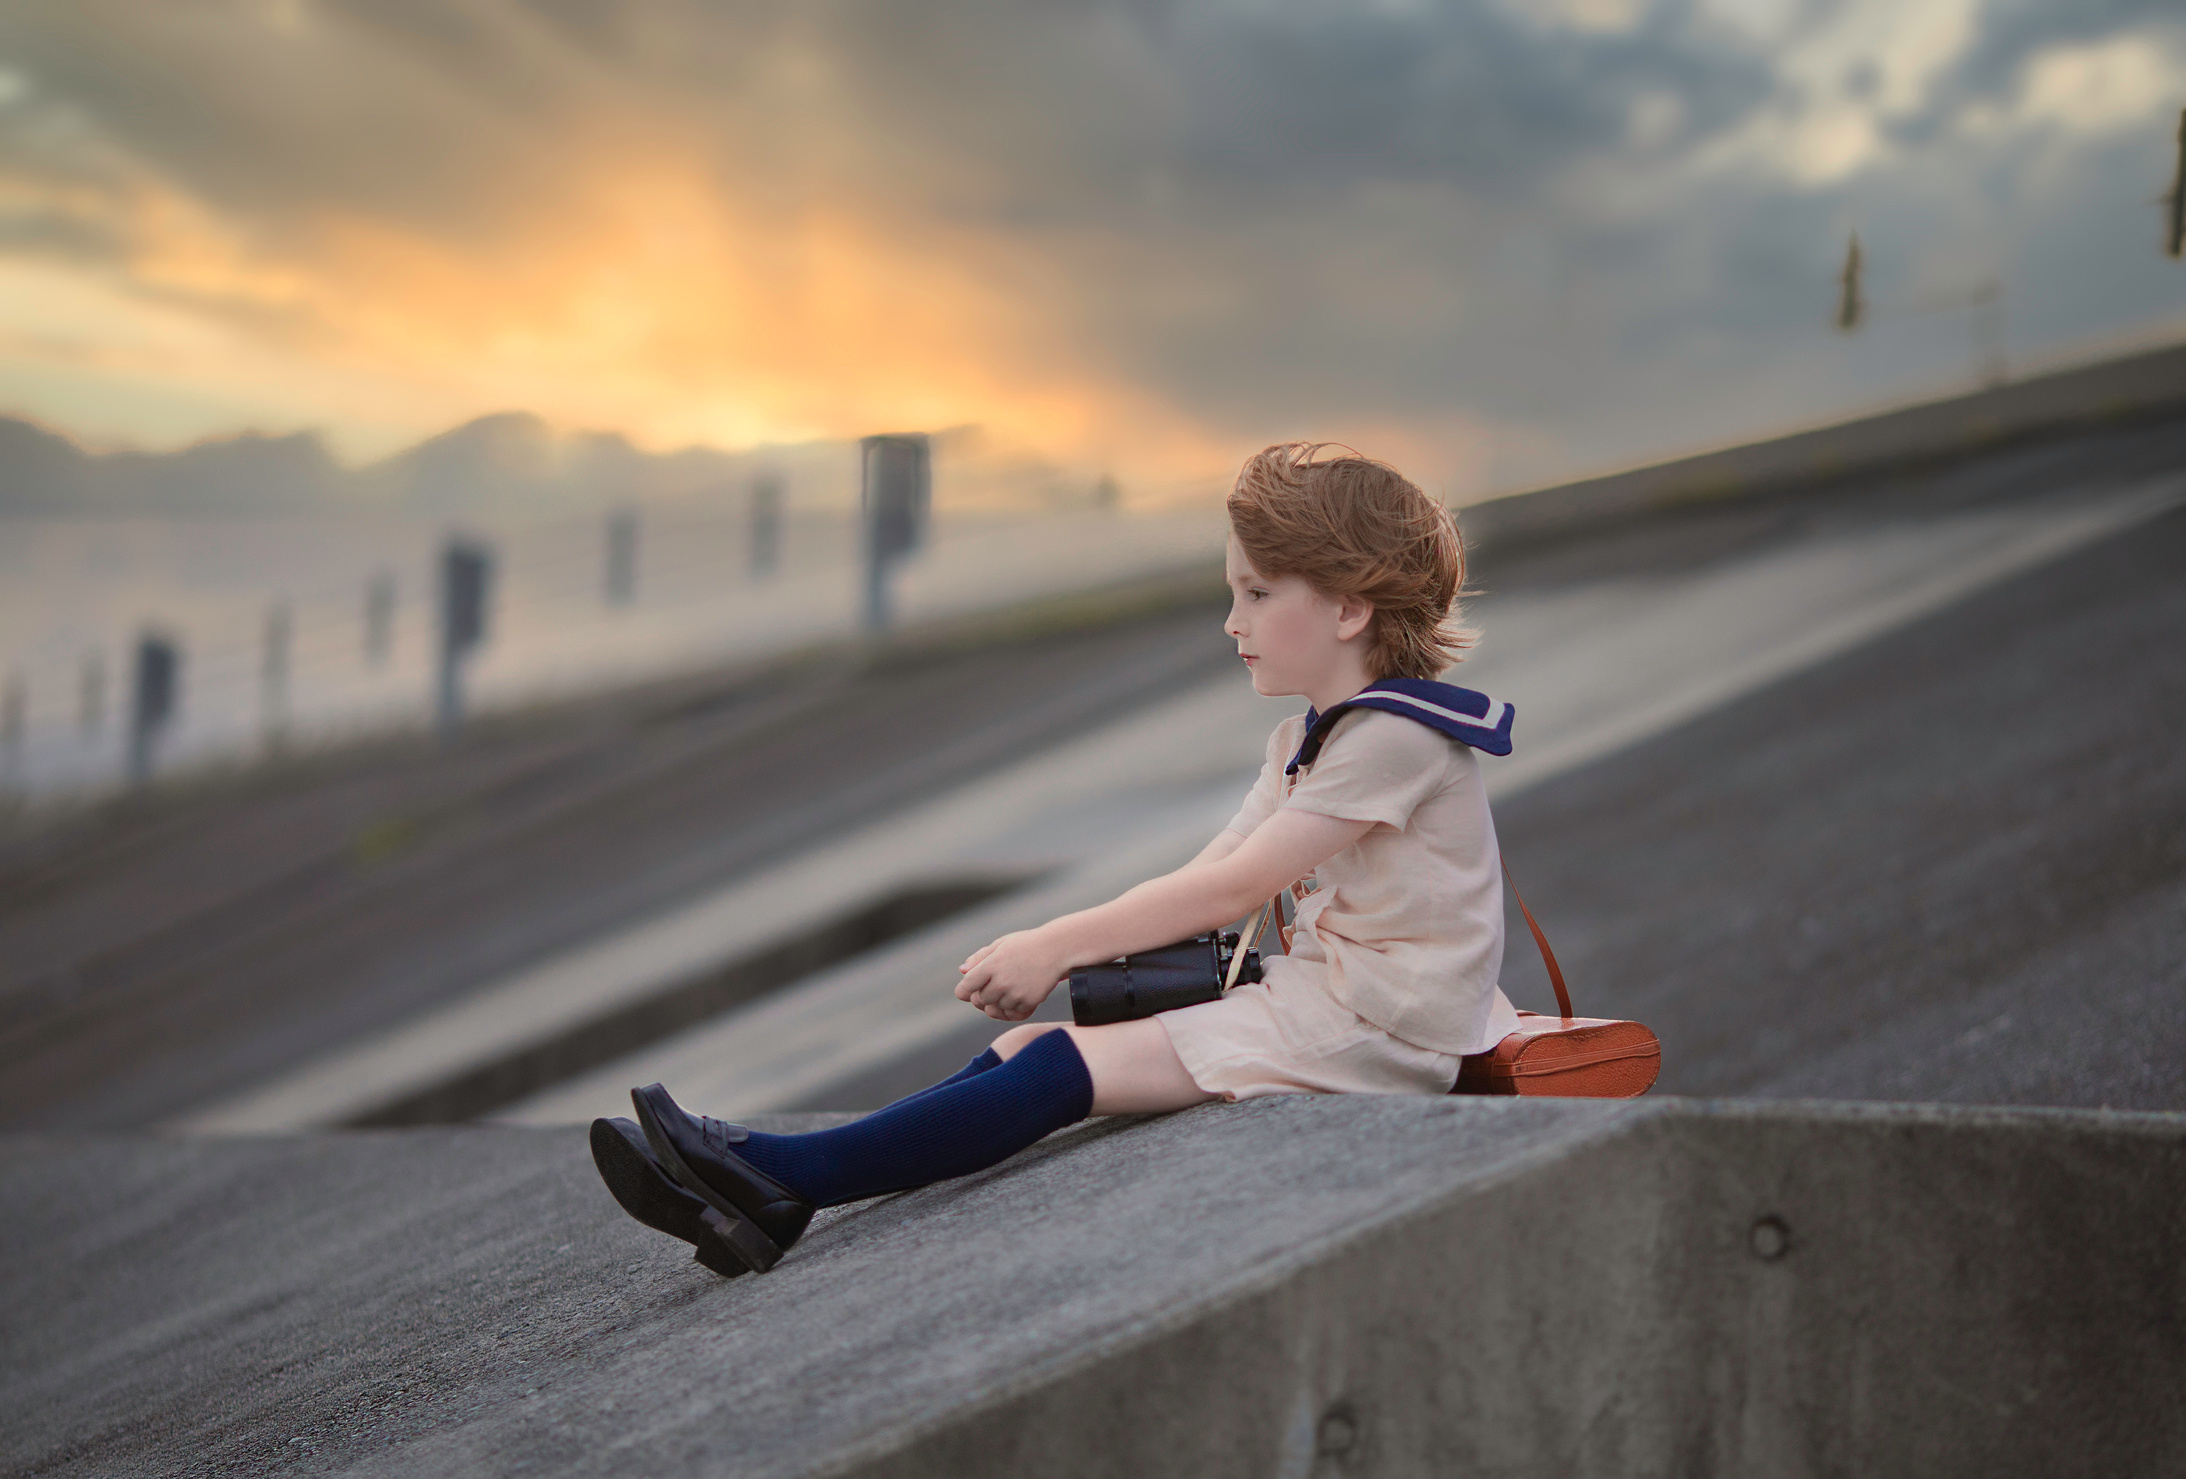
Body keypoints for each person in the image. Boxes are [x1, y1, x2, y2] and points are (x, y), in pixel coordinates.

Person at [591, 442, 1520, 1275]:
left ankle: (781, 1174)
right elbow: (1211, 870)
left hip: (1381, 1038)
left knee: (1057, 1070)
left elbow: (1238, 888)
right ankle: (770, 1185)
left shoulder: (1397, 739)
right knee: (1026, 1045)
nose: (1230, 620)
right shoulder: (1308, 740)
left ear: (1350, 608)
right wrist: (1074, 942)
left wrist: (1057, 945)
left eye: (1258, 593)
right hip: (1329, 1005)